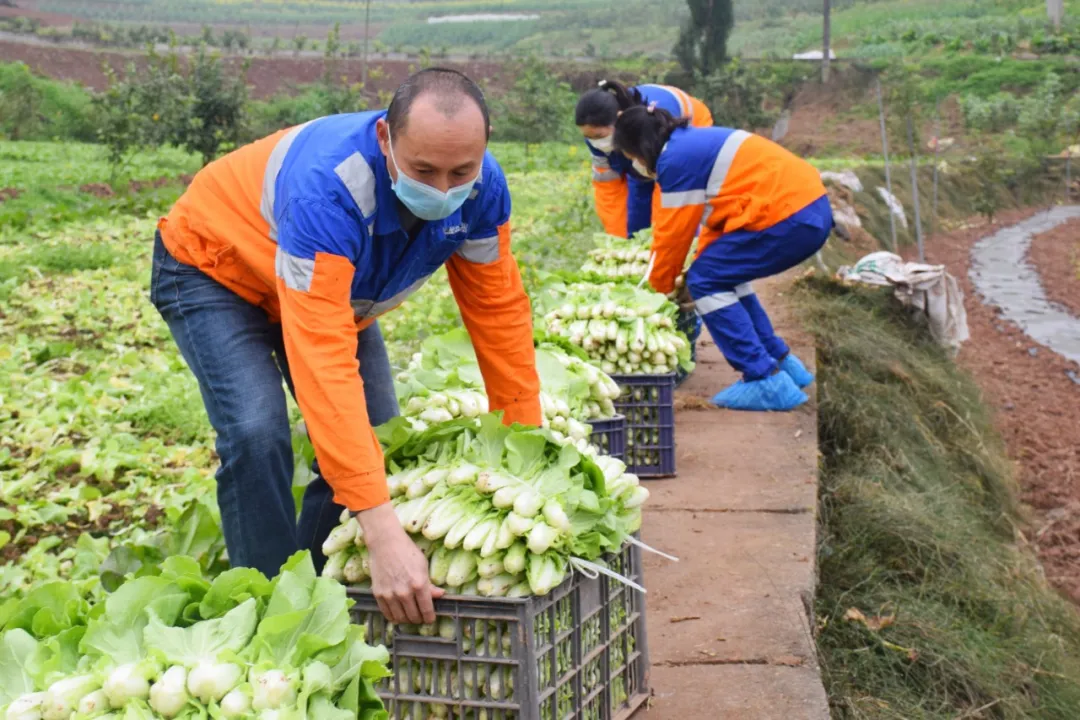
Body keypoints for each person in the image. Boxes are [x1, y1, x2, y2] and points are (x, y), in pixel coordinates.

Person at [150, 68, 542, 624]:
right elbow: (324, 362)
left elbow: (498, 314)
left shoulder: (484, 190)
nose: (442, 189)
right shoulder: (329, 187)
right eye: (423, 171)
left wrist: (525, 444)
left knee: (374, 433)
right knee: (257, 432)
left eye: (460, 171)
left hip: (327, 291)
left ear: (484, 145)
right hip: (217, 270)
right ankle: (267, 609)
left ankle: (318, 580)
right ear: (385, 137)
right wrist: (381, 531)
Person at [612, 104, 834, 412]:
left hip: (788, 218)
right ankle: (781, 362)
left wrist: (657, 292)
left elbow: (671, 238)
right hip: (807, 208)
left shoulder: (675, 162)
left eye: (631, 157)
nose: (635, 165)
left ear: (640, 147)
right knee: (719, 273)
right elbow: (715, 225)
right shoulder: (690, 144)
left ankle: (763, 378)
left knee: (706, 281)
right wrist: (694, 266)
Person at [575, 80, 713, 239]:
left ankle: (691, 242)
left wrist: (663, 239)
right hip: (637, 141)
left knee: (677, 209)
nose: (595, 142)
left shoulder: (654, 122)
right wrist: (617, 241)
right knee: (638, 207)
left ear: (619, 119)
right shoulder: (597, 138)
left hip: (687, 129)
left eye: (599, 136)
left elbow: (667, 192)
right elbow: (609, 192)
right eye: (588, 137)